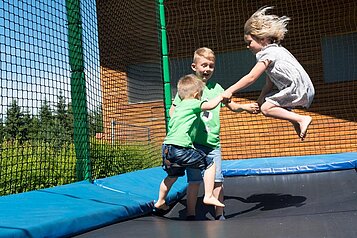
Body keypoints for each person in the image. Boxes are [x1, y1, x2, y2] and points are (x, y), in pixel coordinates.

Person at [170, 47, 259, 220]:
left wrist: (245, 107)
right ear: (194, 66)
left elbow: (231, 105)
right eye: (204, 65)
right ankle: (190, 213)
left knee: (218, 179)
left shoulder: (217, 87)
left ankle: (219, 213)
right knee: (194, 181)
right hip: (193, 144)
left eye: (211, 66)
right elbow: (173, 110)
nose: (207, 69)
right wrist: (178, 125)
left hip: (212, 143)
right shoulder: (188, 89)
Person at [224, 6, 315, 141]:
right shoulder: (277, 50)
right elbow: (269, 84)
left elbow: (251, 77)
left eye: (249, 42)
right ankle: (296, 120)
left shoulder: (267, 53)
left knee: (267, 108)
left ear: (262, 39)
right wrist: (260, 99)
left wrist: (229, 91)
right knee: (270, 105)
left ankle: (301, 118)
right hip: (305, 88)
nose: (248, 46)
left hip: (297, 88)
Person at [154, 74, 229, 212]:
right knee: (210, 164)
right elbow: (210, 105)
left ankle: (160, 200)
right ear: (196, 94)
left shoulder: (178, 107)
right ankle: (208, 195)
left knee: (172, 176)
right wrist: (220, 96)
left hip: (167, 148)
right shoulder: (193, 102)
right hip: (181, 148)